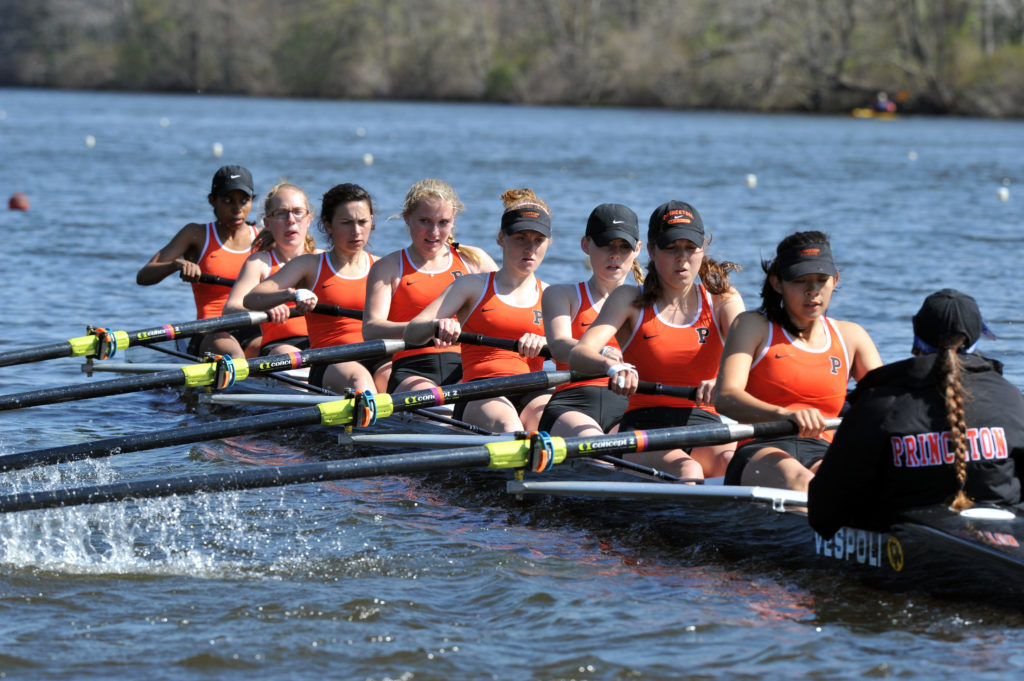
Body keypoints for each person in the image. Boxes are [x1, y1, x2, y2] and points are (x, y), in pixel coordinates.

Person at [808, 289, 1024, 538]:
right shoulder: (1011, 398)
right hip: (1004, 539)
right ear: (975, 338)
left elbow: (823, 512)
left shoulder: (879, 402)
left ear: (917, 338)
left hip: (903, 543)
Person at [570, 201, 744, 480]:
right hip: (645, 426)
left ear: (703, 249)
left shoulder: (724, 300)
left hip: (705, 422)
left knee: (733, 464)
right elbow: (580, 353)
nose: (682, 258)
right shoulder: (629, 299)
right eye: (672, 248)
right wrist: (612, 367)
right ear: (651, 250)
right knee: (687, 469)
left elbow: (748, 356)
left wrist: (725, 378)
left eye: (690, 248)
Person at [716, 230, 882, 491]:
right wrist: (784, 414)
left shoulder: (852, 336)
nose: (812, 291)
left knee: (863, 485)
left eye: (821, 280)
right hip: (760, 449)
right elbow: (725, 397)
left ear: (835, 280)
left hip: (822, 450)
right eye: (800, 281)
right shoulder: (753, 326)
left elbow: (888, 401)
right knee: (805, 483)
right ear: (777, 283)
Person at [404, 188, 551, 432]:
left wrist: (548, 343)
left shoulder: (552, 295)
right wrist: (436, 326)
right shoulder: (471, 286)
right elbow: (412, 333)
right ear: (501, 238)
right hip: (480, 389)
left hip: (534, 391)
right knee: (509, 426)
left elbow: (573, 354)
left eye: (538, 240)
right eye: (520, 238)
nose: (530, 249)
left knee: (550, 426)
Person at [244, 183, 385, 393]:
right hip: (329, 360)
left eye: (362, 222)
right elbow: (252, 299)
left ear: (371, 222)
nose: (356, 231)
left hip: (379, 355)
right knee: (361, 383)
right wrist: (291, 295)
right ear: (328, 225)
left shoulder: (383, 267)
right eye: (346, 223)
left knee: (394, 380)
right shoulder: (309, 265)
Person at [363, 179, 497, 393]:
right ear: (407, 219)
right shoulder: (388, 267)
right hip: (413, 368)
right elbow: (371, 330)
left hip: (468, 366)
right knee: (439, 405)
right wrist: (427, 329)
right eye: (425, 221)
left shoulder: (474, 261)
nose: (434, 232)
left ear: (453, 222)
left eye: (443, 222)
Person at [538, 203, 644, 438]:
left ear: (637, 249)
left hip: (629, 408)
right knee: (595, 444)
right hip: (573, 403)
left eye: (623, 247)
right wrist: (602, 355)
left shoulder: (648, 304)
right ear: (586, 245)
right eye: (606, 245)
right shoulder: (562, 295)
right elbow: (559, 347)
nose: (615, 255)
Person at [136, 165, 260, 358]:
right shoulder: (196, 234)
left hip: (251, 325)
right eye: (228, 201)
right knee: (234, 357)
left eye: (244, 201)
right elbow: (144, 276)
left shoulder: (263, 238)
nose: (237, 209)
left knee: (264, 352)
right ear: (212, 201)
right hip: (210, 328)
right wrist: (176, 264)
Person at [223, 182, 317, 356]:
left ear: (309, 219)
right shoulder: (259, 262)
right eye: (281, 213)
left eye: (297, 212)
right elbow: (230, 309)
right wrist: (263, 307)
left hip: (323, 345)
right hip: (279, 348)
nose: (290, 220)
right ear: (267, 223)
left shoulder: (323, 258)